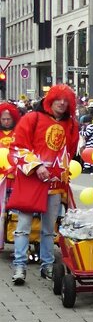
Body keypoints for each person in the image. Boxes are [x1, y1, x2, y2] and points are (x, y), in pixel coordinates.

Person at [9, 84, 79, 285]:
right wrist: (37, 165)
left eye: (66, 100)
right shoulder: (32, 118)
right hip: (31, 181)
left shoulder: (71, 125)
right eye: (58, 99)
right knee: (23, 227)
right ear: (50, 100)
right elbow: (17, 148)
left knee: (49, 229)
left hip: (55, 183)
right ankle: (20, 265)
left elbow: (70, 152)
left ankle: (47, 265)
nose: (62, 103)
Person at [0, 102, 21, 252]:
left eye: (8, 119)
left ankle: (16, 235)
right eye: (3, 119)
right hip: (1, 177)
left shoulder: (18, 133)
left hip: (16, 176)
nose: (6, 122)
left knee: (14, 209)